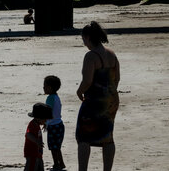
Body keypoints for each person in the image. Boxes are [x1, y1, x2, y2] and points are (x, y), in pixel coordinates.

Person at [76, 21, 120, 171]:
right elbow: (117, 78)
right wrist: (109, 94)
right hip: (111, 99)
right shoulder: (112, 54)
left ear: (88, 37)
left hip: (94, 100)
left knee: (83, 136)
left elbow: (87, 80)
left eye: (83, 39)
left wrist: (79, 91)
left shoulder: (91, 56)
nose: (83, 42)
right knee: (108, 136)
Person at [44, 75, 67, 170]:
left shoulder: (50, 98)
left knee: (53, 148)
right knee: (57, 147)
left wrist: (45, 123)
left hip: (53, 126)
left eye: (45, 86)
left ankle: (56, 164)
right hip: (59, 125)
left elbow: (48, 112)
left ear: (49, 87)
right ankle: (61, 163)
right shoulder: (56, 97)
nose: (43, 88)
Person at [25, 102, 53, 171]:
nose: (46, 121)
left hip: (38, 154)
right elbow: (28, 135)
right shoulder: (32, 125)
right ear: (39, 118)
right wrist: (37, 141)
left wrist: (44, 124)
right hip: (32, 154)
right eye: (45, 119)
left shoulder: (37, 124)